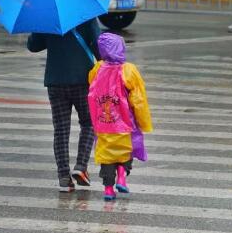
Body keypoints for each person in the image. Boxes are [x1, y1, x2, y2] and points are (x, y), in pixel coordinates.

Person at [27, 18, 101, 192]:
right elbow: (99, 47)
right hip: (83, 79)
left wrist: (37, 26)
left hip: (55, 80)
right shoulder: (86, 14)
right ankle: (81, 166)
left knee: (60, 129)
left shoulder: (46, 16)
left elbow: (33, 45)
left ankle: (63, 177)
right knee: (89, 123)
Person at [87, 33, 153, 201]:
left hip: (103, 123)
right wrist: (144, 122)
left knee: (107, 157)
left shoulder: (97, 68)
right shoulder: (128, 70)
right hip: (124, 122)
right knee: (126, 152)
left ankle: (109, 189)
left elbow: (91, 84)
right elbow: (138, 99)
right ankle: (122, 175)